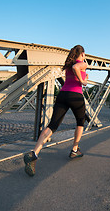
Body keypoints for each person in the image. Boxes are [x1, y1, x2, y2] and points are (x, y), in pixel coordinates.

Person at [24, 45, 88, 177]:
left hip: (63, 95)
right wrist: (83, 80)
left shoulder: (68, 65)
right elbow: (77, 70)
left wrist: (83, 78)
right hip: (76, 96)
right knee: (80, 122)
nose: (85, 57)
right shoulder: (81, 64)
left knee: (53, 125)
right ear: (81, 54)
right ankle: (75, 150)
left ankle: (34, 153)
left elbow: (73, 75)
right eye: (84, 54)